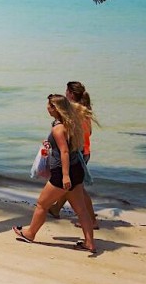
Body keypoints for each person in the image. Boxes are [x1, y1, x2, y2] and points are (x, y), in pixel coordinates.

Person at [13, 94, 97, 254]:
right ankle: (89, 243)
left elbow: (64, 151)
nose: (47, 108)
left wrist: (65, 176)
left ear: (57, 109)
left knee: (42, 204)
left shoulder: (58, 128)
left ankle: (30, 234)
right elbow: (68, 147)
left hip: (63, 173)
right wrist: (50, 144)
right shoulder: (72, 124)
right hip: (76, 169)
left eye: (50, 106)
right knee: (81, 210)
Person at [47, 81, 99, 228]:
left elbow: (71, 132)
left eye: (66, 91)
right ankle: (56, 208)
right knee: (71, 186)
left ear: (70, 93)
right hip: (84, 150)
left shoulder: (73, 110)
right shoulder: (84, 109)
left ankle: (92, 221)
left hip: (78, 152)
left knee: (77, 188)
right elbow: (89, 132)